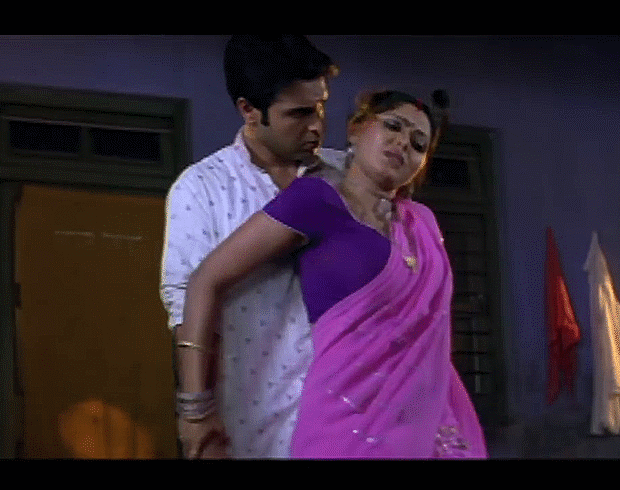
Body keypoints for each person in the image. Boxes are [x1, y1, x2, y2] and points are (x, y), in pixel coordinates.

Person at [176, 89, 488, 458]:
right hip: (343, 426)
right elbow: (206, 279)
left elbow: (431, 335)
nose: (403, 142)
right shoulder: (316, 201)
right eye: (393, 126)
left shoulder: (423, 224)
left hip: (425, 430)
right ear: (356, 129)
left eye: (419, 143)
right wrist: (195, 407)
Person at [160, 35, 344, 459]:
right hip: (253, 428)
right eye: (298, 113)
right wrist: (195, 414)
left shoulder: (346, 179)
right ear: (249, 110)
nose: (316, 126)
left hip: (347, 427)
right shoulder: (202, 189)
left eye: (320, 107)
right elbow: (186, 308)